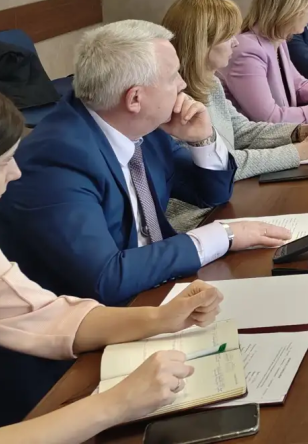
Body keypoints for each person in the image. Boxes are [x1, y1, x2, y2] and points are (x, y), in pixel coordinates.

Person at [0, 24, 288, 419]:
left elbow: (210, 193)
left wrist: (202, 140)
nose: (183, 84)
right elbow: (106, 277)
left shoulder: (140, 128)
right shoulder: (55, 156)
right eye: (173, 76)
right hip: (71, 354)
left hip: (149, 301)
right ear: (135, 97)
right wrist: (221, 235)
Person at [0, 99, 229, 431]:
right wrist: (116, 404)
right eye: (5, 162)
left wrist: (161, 318)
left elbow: (45, 315)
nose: (15, 172)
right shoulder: (59, 151)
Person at [162, 0, 308, 230]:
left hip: (227, 201)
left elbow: (241, 130)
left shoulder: (210, 83)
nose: (235, 43)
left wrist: (298, 132)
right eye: (228, 37)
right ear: (203, 44)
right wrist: (299, 151)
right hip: (198, 220)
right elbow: (225, 164)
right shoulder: (171, 104)